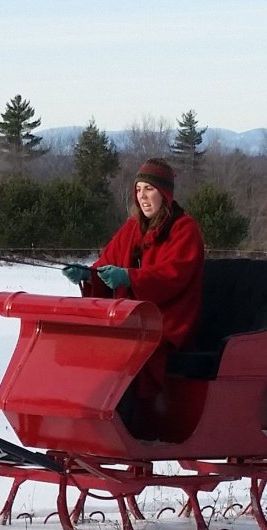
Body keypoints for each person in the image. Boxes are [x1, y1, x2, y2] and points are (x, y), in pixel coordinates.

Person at [62, 158, 205, 421]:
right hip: (128, 317)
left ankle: (126, 417)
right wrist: (89, 275)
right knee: (92, 344)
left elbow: (172, 275)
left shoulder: (185, 229)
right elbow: (107, 263)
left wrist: (129, 277)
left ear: (164, 193)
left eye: (149, 189)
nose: (142, 197)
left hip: (165, 320)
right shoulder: (131, 228)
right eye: (138, 190)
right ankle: (83, 411)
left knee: (129, 351)